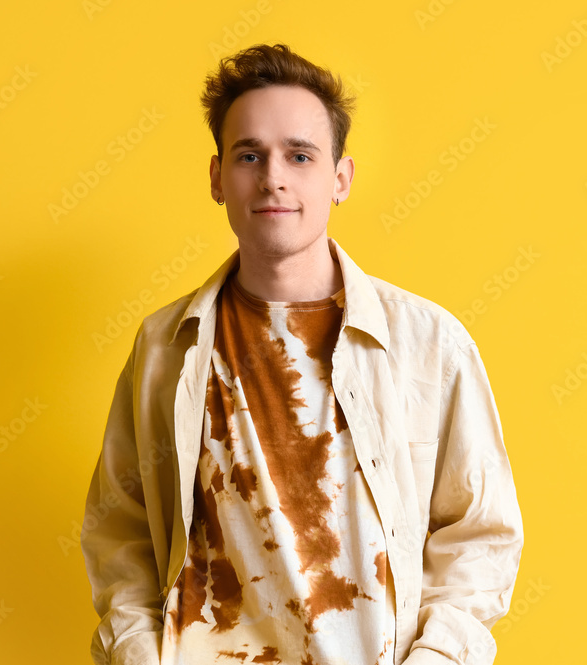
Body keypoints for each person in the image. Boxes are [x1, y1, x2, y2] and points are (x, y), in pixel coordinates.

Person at [80, 43, 523, 665]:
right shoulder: (164, 346)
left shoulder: (429, 344)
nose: (273, 177)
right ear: (217, 178)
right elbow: (119, 529)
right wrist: (136, 651)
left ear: (340, 179)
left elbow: (480, 536)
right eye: (249, 155)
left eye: (300, 155)